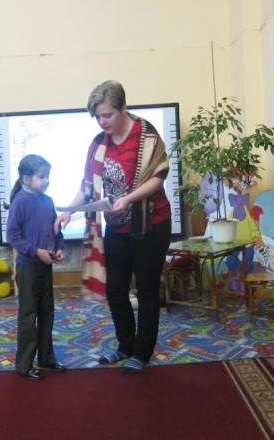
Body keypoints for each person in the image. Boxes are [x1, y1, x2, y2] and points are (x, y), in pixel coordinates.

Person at [55, 80, 172, 374]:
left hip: (151, 225)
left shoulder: (147, 136)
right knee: (116, 290)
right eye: (97, 116)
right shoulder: (98, 143)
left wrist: (128, 199)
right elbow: (87, 185)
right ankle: (125, 346)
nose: (102, 121)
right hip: (117, 228)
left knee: (146, 290)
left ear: (123, 108)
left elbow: (158, 177)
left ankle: (142, 352)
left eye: (107, 115)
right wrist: (69, 211)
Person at [7, 154, 66, 380]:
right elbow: (13, 236)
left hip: (45, 267)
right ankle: (24, 365)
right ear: (26, 179)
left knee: (47, 312)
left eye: (47, 176)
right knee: (28, 315)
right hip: (28, 268)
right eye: (42, 177)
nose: (46, 180)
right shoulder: (20, 202)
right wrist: (36, 252)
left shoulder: (48, 201)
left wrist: (58, 248)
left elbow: (55, 230)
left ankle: (46, 359)